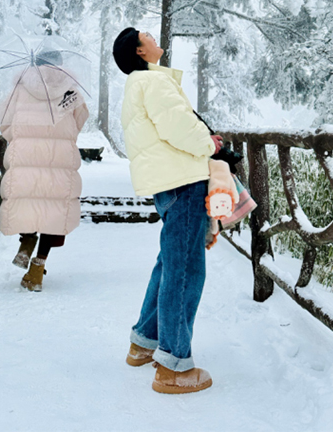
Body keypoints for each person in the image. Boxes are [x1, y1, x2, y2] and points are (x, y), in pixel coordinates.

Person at [112, 27, 222, 394]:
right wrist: (211, 144)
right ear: (141, 52)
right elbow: (180, 127)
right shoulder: (154, 85)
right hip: (184, 181)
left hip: (166, 184)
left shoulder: (136, 87)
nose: (155, 38)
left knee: (169, 263)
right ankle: (173, 366)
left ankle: (144, 342)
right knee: (185, 270)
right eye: (147, 36)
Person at [0, 51, 89, 292]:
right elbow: (81, 118)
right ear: (59, 65)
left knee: (28, 198)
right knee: (54, 209)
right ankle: (37, 269)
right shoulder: (70, 87)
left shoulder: (20, 85)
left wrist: (18, 138)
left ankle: (27, 241)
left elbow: (4, 119)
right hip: (59, 157)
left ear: (34, 64)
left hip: (26, 153)